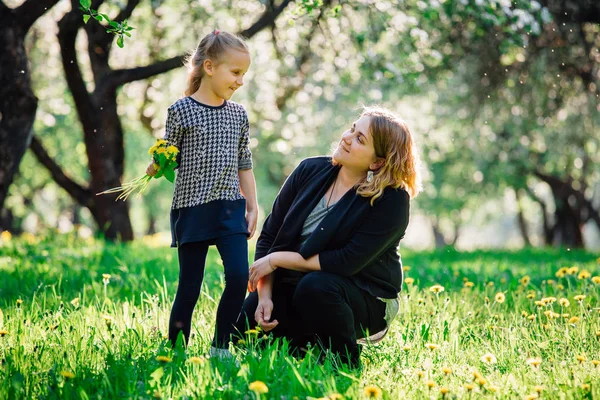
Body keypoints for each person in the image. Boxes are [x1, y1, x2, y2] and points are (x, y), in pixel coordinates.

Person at [236, 106, 420, 367]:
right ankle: (305, 346)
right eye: (352, 129)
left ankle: (344, 361)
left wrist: (277, 260)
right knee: (241, 333)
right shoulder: (309, 170)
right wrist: (265, 294)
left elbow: (345, 262)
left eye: (360, 139)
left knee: (317, 287)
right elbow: (270, 236)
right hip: (298, 283)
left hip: (362, 295)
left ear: (377, 162)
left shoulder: (391, 199)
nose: (347, 137)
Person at [146, 30, 257, 359]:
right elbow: (171, 155)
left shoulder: (238, 115)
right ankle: (176, 351)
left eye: (243, 75)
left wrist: (252, 206)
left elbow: (244, 162)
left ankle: (220, 347)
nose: (239, 81)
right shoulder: (181, 110)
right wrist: (158, 163)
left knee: (238, 277)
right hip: (192, 207)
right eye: (235, 72)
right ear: (209, 67)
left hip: (229, 208)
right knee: (190, 287)